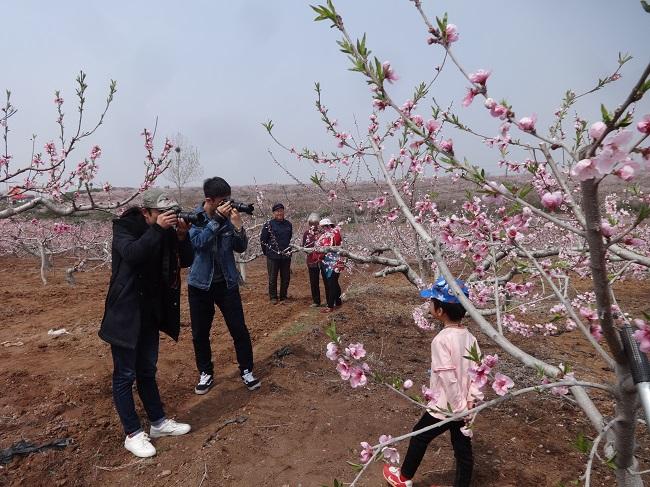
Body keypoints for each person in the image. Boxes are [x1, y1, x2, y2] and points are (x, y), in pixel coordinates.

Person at [99, 188, 193, 458]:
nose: (168, 218)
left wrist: (182, 236)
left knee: (147, 371)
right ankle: (132, 433)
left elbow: (185, 261)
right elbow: (132, 254)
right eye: (162, 214)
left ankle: (158, 423)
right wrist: (158, 230)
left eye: (171, 213)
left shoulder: (164, 231)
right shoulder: (125, 227)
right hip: (125, 314)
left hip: (150, 312)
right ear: (146, 212)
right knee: (125, 375)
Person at [383, 277, 482, 487]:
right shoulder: (471, 338)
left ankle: (403, 477)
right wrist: (470, 401)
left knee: (419, 437)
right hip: (464, 405)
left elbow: (448, 377)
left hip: (445, 406)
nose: (429, 305)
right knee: (463, 450)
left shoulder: (441, 340)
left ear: (439, 311)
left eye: (431, 302)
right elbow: (478, 373)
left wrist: (458, 409)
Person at [187, 177, 260, 395]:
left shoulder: (228, 218)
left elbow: (239, 247)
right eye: (223, 200)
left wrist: (238, 228)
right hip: (200, 285)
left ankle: (247, 370)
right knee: (200, 333)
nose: (228, 204)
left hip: (227, 283)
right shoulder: (195, 218)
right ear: (209, 200)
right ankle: (205, 372)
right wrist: (216, 220)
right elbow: (198, 244)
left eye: (229, 199)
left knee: (239, 329)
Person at [260, 202, 293, 304]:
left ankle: (283, 296)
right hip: (272, 256)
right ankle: (273, 297)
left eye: (281, 211)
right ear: (273, 213)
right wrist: (268, 252)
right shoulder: (268, 225)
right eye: (277, 211)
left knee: (286, 277)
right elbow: (263, 240)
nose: (280, 213)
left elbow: (289, 237)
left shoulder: (288, 224)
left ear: (284, 211)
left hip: (286, 255)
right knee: (273, 277)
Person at [316, 218, 343, 313]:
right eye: (322, 227)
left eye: (325, 226)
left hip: (335, 261)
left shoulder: (335, 233)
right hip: (324, 262)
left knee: (332, 282)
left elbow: (334, 245)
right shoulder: (323, 236)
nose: (324, 229)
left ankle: (330, 305)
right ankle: (337, 302)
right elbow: (318, 246)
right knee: (331, 283)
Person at [302, 213, 322, 307]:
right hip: (311, 261)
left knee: (327, 280)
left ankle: (331, 300)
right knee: (314, 282)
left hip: (323, 261)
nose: (313, 225)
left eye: (315, 223)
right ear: (309, 224)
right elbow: (304, 247)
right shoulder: (306, 233)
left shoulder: (323, 232)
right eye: (311, 223)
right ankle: (316, 301)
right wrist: (311, 252)